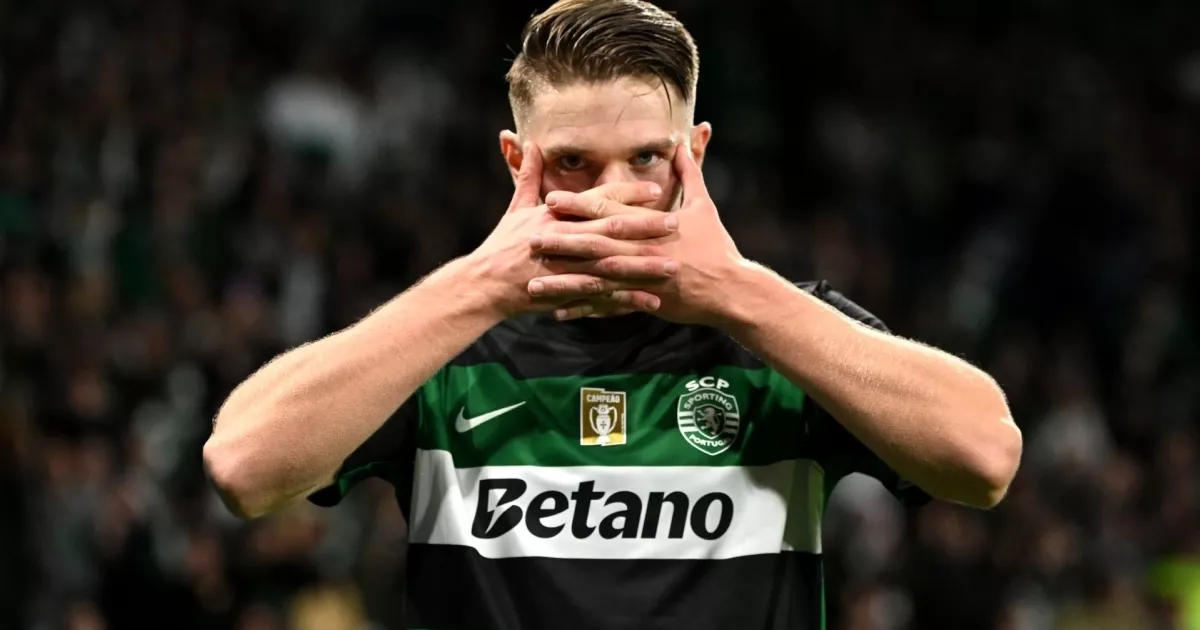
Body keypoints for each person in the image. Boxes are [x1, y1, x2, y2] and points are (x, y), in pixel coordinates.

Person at [203, 1, 1024, 628]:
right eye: (572, 163)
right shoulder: (446, 347)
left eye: (646, 159)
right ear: (517, 163)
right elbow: (242, 466)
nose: (613, 196)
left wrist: (738, 292)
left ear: (694, 156)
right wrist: (480, 287)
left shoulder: (779, 337)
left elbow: (985, 456)